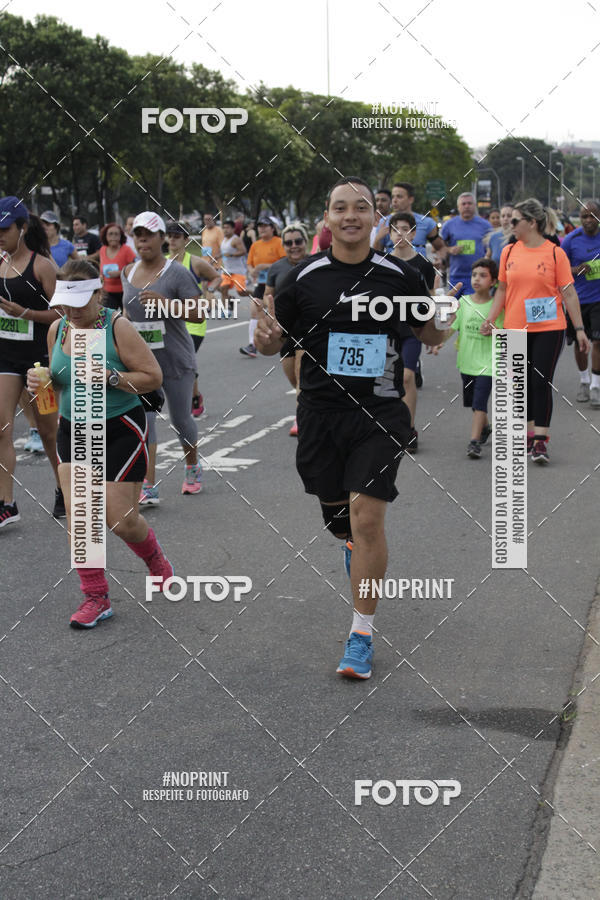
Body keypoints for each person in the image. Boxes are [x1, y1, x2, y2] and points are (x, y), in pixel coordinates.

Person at [255, 176, 451, 679]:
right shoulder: (301, 279)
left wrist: (444, 312)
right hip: (320, 415)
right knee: (339, 519)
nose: (350, 216)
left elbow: (430, 332)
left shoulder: (399, 274)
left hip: (379, 412)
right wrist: (264, 336)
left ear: (374, 218)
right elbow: (276, 344)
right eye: (339, 208)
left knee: (368, 519)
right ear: (327, 218)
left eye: (360, 207)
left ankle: (361, 633)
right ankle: (350, 545)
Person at [26, 259, 173, 628]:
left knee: (122, 522)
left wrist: (110, 376)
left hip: (120, 426)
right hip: (74, 426)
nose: (71, 310)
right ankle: (96, 597)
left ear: (97, 293)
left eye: (79, 301)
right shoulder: (58, 329)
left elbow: (152, 377)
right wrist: (41, 384)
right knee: (81, 516)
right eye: (64, 301)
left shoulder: (117, 327)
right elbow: (59, 381)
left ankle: (155, 559)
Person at [481, 198, 589, 463]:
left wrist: (580, 329)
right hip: (515, 326)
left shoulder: (555, 252)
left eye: (515, 220)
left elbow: (569, 293)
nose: (510, 224)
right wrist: (491, 318)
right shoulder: (509, 252)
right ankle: (528, 433)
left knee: (540, 381)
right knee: (521, 384)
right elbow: (503, 290)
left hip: (549, 327)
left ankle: (540, 440)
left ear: (531, 223)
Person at [121, 212, 205, 503]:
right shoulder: (128, 272)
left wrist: (166, 304)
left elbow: (198, 312)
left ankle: (192, 466)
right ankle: (149, 485)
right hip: (142, 365)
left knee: (181, 420)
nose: (142, 239)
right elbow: (126, 315)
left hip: (176, 360)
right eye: (137, 234)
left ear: (161, 239)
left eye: (149, 234)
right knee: (145, 423)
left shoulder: (177, 273)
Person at [0, 196, 63, 528]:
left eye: (5, 229)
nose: (0, 235)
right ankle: (7, 503)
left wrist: (23, 313)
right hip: (6, 358)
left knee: (49, 434)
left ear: (22, 229)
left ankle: (63, 488)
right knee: (1, 427)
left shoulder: (42, 266)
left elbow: (62, 313)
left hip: (40, 362)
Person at [440, 258, 503, 458]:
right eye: (474, 275)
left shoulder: (497, 307)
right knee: (473, 403)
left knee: (480, 401)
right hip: (466, 362)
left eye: (483, 276)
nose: (477, 279)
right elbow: (452, 328)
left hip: (490, 363)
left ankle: (474, 442)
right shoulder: (463, 302)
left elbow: (507, 329)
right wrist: (438, 342)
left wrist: (496, 331)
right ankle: (485, 427)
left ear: (493, 281)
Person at [388, 211, 438, 450]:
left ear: (414, 233)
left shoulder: (423, 265)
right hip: (385, 329)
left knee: (407, 377)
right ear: (389, 234)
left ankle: (408, 429)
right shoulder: (381, 263)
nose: (400, 234)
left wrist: (432, 333)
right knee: (385, 380)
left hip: (411, 330)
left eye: (405, 229)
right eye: (396, 229)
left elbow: (428, 301)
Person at [166, 221, 219, 416]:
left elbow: (216, 277)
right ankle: (195, 396)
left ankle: (188, 399)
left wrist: (211, 291)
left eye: (177, 236)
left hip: (194, 322)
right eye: (169, 235)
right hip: (170, 322)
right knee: (179, 361)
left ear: (186, 240)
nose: (172, 239)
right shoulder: (161, 262)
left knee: (184, 359)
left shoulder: (195, 262)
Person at [264, 223, 310, 436]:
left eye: (298, 241)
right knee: (292, 375)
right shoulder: (277, 268)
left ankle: (301, 417)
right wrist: (265, 310)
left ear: (306, 242)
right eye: (289, 243)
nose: (294, 246)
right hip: (286, 330)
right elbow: (268, 294)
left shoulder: (316, 263)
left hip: (310, 328)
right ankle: (308, 406)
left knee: (302, 373)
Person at [562, 201, 600, 405]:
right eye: (584, 216)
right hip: (577, 300)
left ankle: (595, 385)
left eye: (592, 216)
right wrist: (576, 270)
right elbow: (558, 267)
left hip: (599, 300)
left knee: (598, 341)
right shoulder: (571, 239)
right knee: (580, 344)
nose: (588, 220)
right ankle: (584, 380)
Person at [240, 215, 285, 357]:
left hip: (277, 284)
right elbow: (249, 263)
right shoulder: (256, 245)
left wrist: (265, 266)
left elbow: (285, 263)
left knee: (279, 314)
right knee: (255, 308)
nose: (262, 229)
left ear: (272, 228)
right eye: (260, 226)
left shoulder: (279, 242)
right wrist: (252, 270)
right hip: (261, 283)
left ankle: (283, 340)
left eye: (265, 226)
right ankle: (252, 345)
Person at [374, 182, 445, 258]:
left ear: (411, 199)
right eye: (393, 197)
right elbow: (376, 254)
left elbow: (440, 247)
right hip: (394, 267)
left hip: (419, 268)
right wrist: (378, 238)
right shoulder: (384, 222)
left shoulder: (426, 222)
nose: (394, 200)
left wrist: (440, 259)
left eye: (399, 197)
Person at [441, 192, 492, 297]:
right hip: (456, 276)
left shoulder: (485, 225)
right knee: (454, 309)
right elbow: (437, 247)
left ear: (475, 205)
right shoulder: (449, 225)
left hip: (478, 276)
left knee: (474, 310)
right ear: (458, 207)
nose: (467, 206)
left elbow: (491, 249)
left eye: (469, 203)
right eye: (463, 204)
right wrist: (450, 249)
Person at [99, 222, 136, 311]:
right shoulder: (103, 249)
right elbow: (101, 269)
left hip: (125, 292)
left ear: (121, 236)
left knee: (128, 319)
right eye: (110, 234)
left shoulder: (127, 250)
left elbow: (136, 270)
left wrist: (120, 273)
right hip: (108, 293)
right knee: (107, 319)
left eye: (116, 234)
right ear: (105, 236)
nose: (113, 237)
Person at [219, 219, 248, 314]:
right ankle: (225, 310)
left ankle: (257, 294)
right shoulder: (224, 239)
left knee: (241, 292)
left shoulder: (236, 239)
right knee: (223, 289)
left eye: (228, 228)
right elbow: (224, 253)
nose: (225, 230)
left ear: (233, 229)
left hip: (238, 270)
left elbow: (243, 251)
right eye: (224, 228)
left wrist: (232, 255)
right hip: (227, 270)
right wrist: (218, 256)